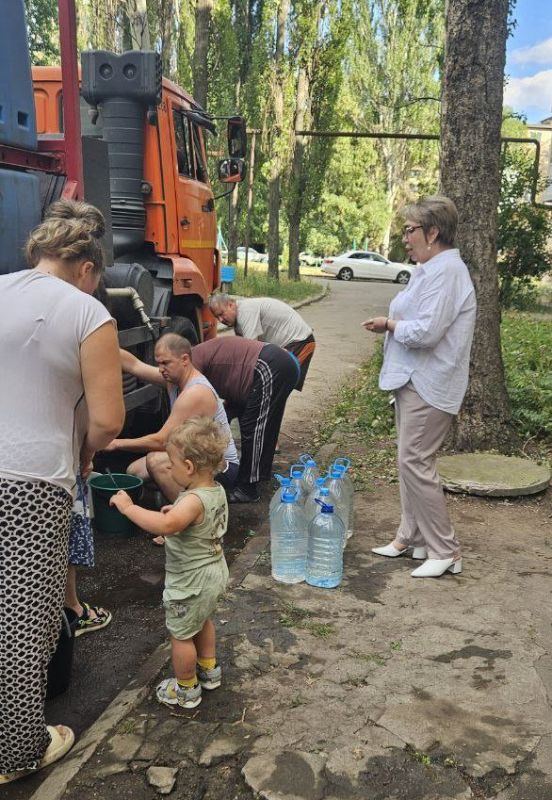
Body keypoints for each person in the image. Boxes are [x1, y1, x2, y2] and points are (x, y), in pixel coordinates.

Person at [0, 200, 125, 783]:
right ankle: (18, 750)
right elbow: (107, 421)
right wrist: (84, 452)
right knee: (26, 616)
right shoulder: (88, 313)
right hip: (30, 480)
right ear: (87, 268)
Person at [362, 195, 476, 579]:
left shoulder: (447, 272)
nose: (405, 238)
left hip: (430, 382)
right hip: (413, 379)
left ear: (433, 231)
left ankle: (446, 549)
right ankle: (410, 536)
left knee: (415, 461)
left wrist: (390, 325)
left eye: (410, 231)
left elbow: (427, 331)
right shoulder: (429, 269)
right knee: (408, 461)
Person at [109, 417, 229, 709]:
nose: (169, 469)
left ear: (188, 467)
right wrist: (176, 511)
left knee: (181, 634)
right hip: (215, 572)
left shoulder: (191, 501)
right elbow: (192, 519)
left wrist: (129, 508)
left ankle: (186, 689)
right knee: (202, 621)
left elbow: (166, 525)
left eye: (171, 464)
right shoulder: (214, 490)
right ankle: (210, 671)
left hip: (191, 580)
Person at [110, 334, 239, 502]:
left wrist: (116, 443)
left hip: (221, 467)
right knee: (134, 472)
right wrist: (105, 343)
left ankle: (194, 519)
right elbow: (134, 365)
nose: (161, 369)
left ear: (184, 359)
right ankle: (181, 496)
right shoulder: (174, 380)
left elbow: (162, 442)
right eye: (158, 363)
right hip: (197, 456)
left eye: (165, 363)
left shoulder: (196, 392)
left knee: (156, 462)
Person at [192, 337, 300, 502]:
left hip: (270, 365)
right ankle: (257, 474)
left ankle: (248, 489)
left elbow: (196, 399)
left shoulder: (193, 360)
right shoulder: (198, 357)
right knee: (255, 423)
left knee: (255, 427)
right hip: (267, 368)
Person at [208, 294, 316, 391]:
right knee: (271, 386)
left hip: (300, 341)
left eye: (221, 314)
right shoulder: (239, 319)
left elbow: (250, 354)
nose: (221, 320)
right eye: (217, 317)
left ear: (231, 305)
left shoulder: (246, 312)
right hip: (287, 344)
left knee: (275, 386)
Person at [65, 474, 112, 635]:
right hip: (51, 479)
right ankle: (72, 609)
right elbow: (93, 447)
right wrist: (86, 455)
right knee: (62, 541)